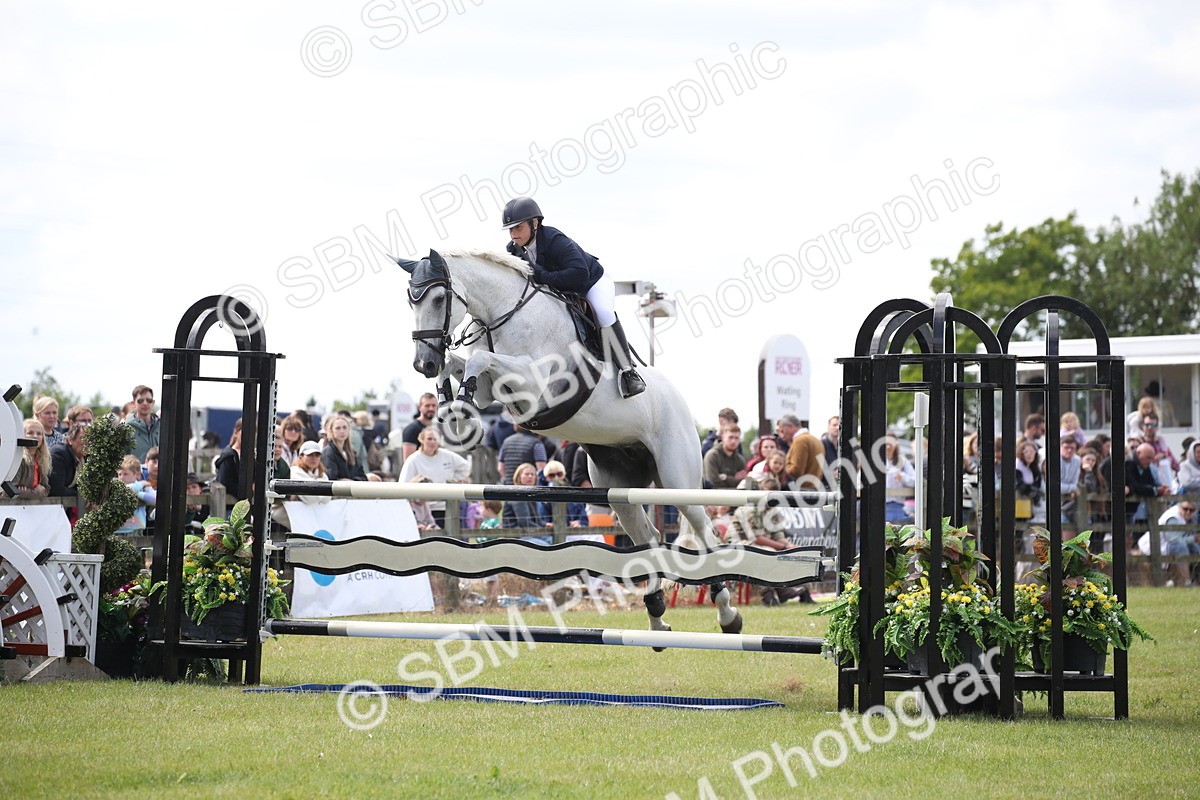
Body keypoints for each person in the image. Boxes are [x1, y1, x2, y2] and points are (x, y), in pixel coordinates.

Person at [502, 196, 645, 398]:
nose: (514, 234)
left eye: (518, 227)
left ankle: (629, 372)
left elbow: (579, 274)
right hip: (563, 289)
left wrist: (543, 276)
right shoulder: (513, 250)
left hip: (591, 283)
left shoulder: (554, 240)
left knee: (603, 312)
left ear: (535, 224)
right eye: (510, 229)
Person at [399, 427, 470, 527]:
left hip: (446, 505)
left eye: (435, 439)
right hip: (422, 508)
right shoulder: (413, 460)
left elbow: (465, 466)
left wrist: (453, 480)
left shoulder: (446, 455)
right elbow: (403, 484)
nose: (432, 442)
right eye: (429, 439)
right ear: (422, 440)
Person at [322, 415, 381, 482]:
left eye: (344, 427)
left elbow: (362, 476)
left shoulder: (351, 452)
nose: (342, 431)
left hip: (353, 490)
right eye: (338, 428)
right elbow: (331, 478)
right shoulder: (328, 452)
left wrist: (351, 481)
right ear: (331, 431)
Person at [501, 463, 551, 540]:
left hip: (530, 533)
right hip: (517, 536)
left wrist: (545, 525)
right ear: (519, 477)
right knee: (550, 543)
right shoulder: (517, 494)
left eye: (532, 474)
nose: (530, 477)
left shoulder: (530, 495)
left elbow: (537, 519)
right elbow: (525, 523)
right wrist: (544, 532)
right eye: (527, 474)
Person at [537, 459, 586, 527]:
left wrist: (579, 523)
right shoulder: (542, 496)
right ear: (546, 477)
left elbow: (584, 518)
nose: (556, 478)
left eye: (559, 474)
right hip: (553, 533)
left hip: (575, 531)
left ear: (564, 474)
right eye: (551, 475)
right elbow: (543, 520)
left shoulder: (573, 493)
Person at [12, 419, 51, 498]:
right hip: (13, 507)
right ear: (22, 436)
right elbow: (10, 491)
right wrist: (36, 492)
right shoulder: (19, 459)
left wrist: (27, 492)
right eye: (30, 433)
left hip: (33, 508)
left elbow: (46, 489)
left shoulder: (41, 460)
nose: (35, 436)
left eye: (39, 433)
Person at [884, 434, 916, 523]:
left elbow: (914, 481)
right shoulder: (877, 461)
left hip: (897, 505)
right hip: (879, 505)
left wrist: (902, 476)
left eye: (891, 443)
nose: (888, 447)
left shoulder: (902, 461)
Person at [785, 419, 825, 489]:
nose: (782, 436)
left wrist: (781, 471)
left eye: (782, 431)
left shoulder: (801, 440)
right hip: (814, 488)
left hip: (802, 489)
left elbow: (796, 471)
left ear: (790, 426)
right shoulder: (816, 439)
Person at [125, 385, 161, 462]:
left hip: (160, 473)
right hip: (136, 473)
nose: (145, 403)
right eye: (140, 401)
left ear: (153, 403)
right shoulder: (126, 429)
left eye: (149, 400)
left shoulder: (162, 426)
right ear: (133, 403)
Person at [401, 393, 439, 462]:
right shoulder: (412, 429)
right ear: (419, 407)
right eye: (427, 405)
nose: (431, 408)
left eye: (433, 405)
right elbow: (408, 461)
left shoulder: (435, 429)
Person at [1015, 440, 1045, 524]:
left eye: (1032, 452)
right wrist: (1034, 492)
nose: (1029, 454)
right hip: (1018, 505)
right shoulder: (1017, 467)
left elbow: (1038, 484)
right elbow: (1020, 486)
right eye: (1026, 451)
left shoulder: (1034, 469)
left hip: (1029, 506)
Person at [214, 419, 244, 501]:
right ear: (236, 432)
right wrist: (246, 494)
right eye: (243, 432)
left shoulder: (253, 455)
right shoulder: (228, 455)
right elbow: (225, 482)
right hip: (228, 505)